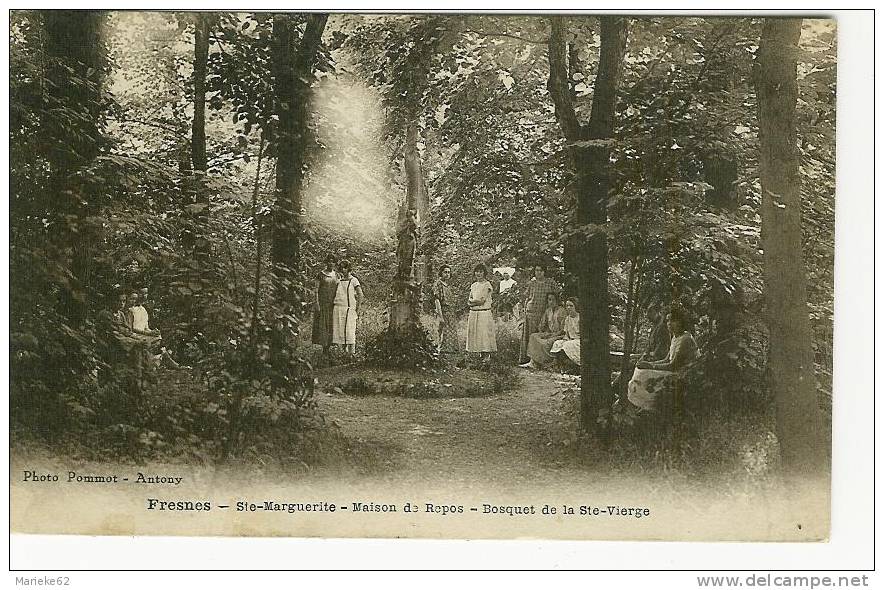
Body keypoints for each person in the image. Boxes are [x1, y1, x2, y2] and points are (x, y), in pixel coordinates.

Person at [627, 305, 699, 413]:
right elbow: (666, 359)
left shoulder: (685, 338)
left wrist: (651, 366)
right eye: (668, 321)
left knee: (644, 374)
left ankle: (648, 406)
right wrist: (649, 363)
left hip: (684, 373)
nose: (670, 324)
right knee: (641, 369)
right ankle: (641, 405)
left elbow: (673, 365)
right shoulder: (675, 337)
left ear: (681, 322)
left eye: (674, 321)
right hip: (675, 369)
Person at [519, 264, 559, 364]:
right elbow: (526, 298)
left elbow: (556, 296)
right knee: (530, 335)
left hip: (545, 313)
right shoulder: (531, 283)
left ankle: (541, 360)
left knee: (543, 336)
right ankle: (527, 359)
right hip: (532, 313)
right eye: (536, 270)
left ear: (544, 271)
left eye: (541, 270)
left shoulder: (550, 283)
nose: (538, 272)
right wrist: (524, 311)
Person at [520, 292, 566, 369]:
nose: (551, 302)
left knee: (546, 343)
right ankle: (533, 361)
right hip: (550, 333)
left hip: (560, 335)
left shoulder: (562, 311)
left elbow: (563, 329)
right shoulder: (548, 311)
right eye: (549, 300)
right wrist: (542, 331)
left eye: (553, 300)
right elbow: (542, 324)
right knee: (533, 336)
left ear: (557, 301)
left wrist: (553, 335)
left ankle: (545, 363)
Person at [332, 259, 364, 356]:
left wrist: (357, 308)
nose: (343, 270)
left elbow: (360, 294)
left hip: (349, 309)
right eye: (341, 268)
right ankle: (343, 353)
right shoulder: (339, 281)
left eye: (345, 268)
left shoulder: (354, 280)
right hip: (338, 308)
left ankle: (351, 354)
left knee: (350, 331)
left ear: (349, 268)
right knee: (340, 331)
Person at [466, 263, 497, 358]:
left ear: (484, 273)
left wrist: (473, 302)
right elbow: (469, 300)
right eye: (477, 271)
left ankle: (486, 356)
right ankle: (478, 355)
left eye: (480, 272)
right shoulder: (474, 285)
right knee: (475, 334)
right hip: (474, 313)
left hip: (484, 313)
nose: (478, 274)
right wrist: (474, 302)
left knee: (484, 334)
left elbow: (482, 301)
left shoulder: (487, 284)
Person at [311, 254, 339, 355]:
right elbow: (315, 290)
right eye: (329, 261)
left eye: (333, 261)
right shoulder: (320, 275)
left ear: (335, 263)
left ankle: (328, 348)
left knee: (331, 325)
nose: (331, 263)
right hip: (323, 304)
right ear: (326, 262)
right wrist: (316, 303)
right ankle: (324, 349)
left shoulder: (337, 275)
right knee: (323, 325)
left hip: (333, 304)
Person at [433, 264, 458, 354]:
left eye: (449, 272)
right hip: (443, 310)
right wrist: (440, 315)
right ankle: (440, 349)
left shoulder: (447, 285)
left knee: (450, 330)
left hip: (450, 311)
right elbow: (437, 300)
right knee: (441, 330)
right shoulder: (438, 284)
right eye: (445, 272)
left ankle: (450, 350)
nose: (447, 274)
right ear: (441, 273)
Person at [550, 297, 581, 368]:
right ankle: (558, 364)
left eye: (571, 306)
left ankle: (572, 365)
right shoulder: (567, 319)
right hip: (570, 340)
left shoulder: (580, 318)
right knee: (557, 343)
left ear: (576, 306)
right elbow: (566, 333)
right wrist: (565, 339)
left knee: (567, 345)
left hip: (578, 341)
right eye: (567, 306)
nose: (569, 307)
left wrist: (570, 341)